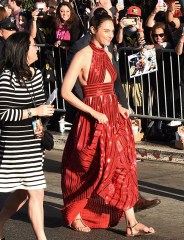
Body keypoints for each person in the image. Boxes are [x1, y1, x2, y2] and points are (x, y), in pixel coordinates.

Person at [61, 11, 155, 236]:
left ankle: (132, 223)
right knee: (89, 170)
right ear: (93, 30)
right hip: (92, 120)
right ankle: (76, 215)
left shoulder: (109, 52)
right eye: (106, 30)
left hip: (113, 118)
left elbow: (111, 86)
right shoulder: (82, 54)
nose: (110, 35)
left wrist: (120, 106)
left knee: (123, 167)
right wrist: (92, 111)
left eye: (112, 31)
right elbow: (66, 91)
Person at [0, 31, 54, 240]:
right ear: (22, 50)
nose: (37, 48)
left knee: (25, 193)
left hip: (33, 144)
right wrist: (34, 112)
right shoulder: (6, 78)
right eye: (33, 45)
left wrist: (41, 125)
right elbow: (3, 114)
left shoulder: (37, 74)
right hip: (14, 146)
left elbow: (38, 107)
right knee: (35, 192)